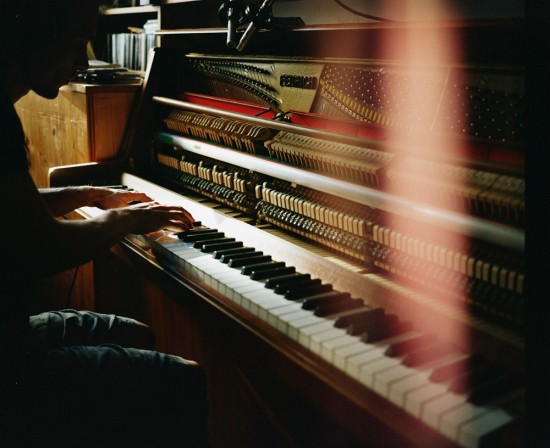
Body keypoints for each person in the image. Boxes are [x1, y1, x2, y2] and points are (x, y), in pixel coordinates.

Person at [0, 0, 208, 446]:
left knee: (139, 334)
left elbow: (13, 207)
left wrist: (87, 194)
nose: (80, 63)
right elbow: (40, 246)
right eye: (75, 43)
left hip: (11, 330)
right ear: (31, 30)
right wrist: (123, 218)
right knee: (181, 381)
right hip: (9, 362)